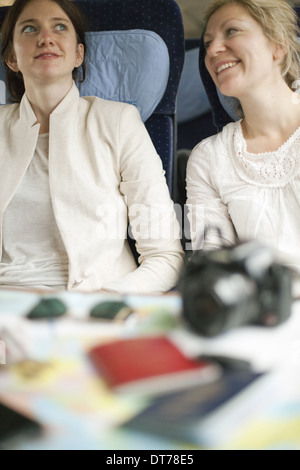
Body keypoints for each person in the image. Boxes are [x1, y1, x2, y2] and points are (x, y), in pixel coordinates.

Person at [0, 0, 183, 293]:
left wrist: (102, 303)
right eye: (30, 28)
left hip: (94, 304)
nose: (45, 37)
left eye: (60, 27)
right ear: (11, 57)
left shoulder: (120, 121)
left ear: (78, 54)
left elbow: (165, 257)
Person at [186, 0, 300, 272]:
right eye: (207, 42)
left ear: (278, 45)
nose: (213, 50)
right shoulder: (208, 158)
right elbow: (213, 264)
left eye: (232, 31)